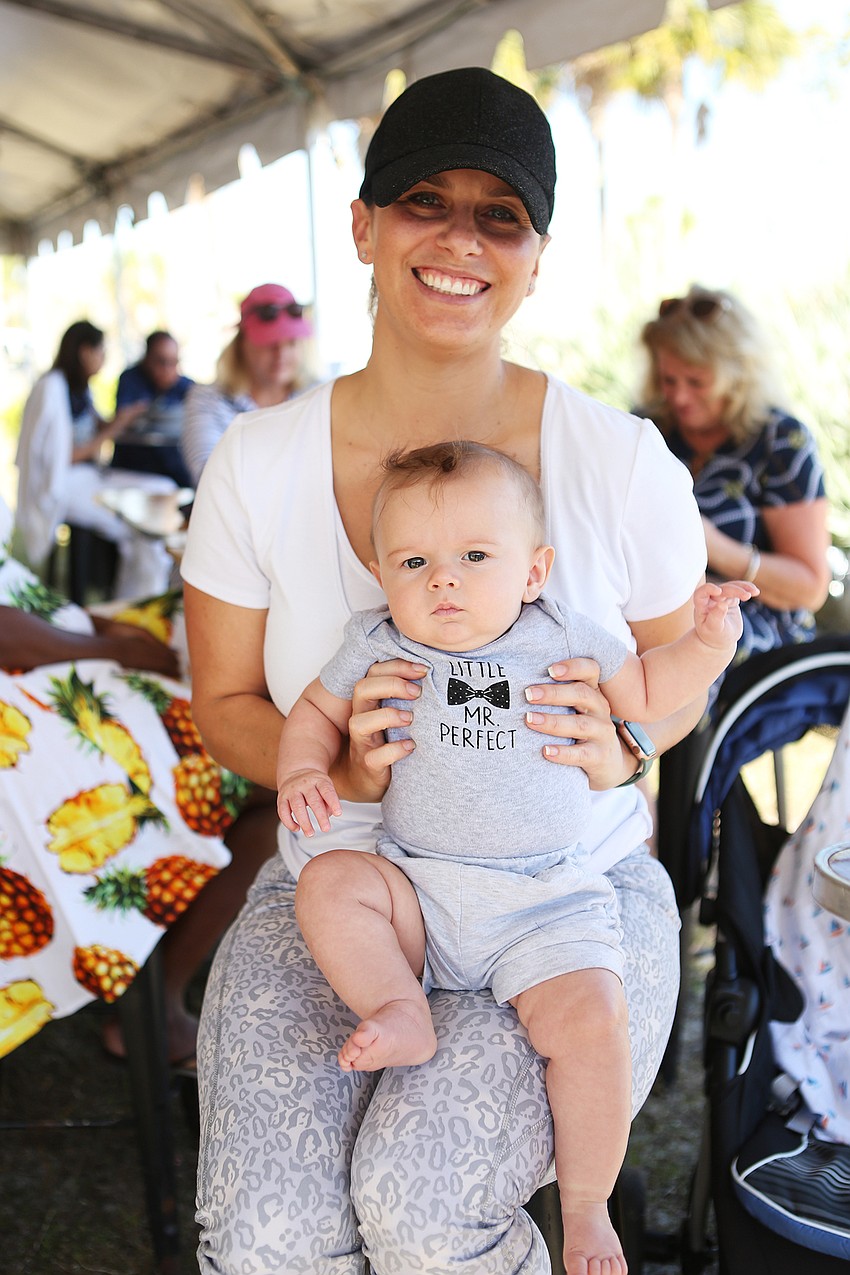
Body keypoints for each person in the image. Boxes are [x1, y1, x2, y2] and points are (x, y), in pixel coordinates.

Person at [181, 67, 709, 1275]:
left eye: (501, 215)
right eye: (425, 199)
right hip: (346, 889)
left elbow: (674, 683)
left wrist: (626, 743)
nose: (461, 238)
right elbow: (224, 705)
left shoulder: (621, 464)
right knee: (268, 1239)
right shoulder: (255, 463)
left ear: (536, 258)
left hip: (566, 894)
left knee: (424, 1214)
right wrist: (335, 769)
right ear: (362, 225)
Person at [277, 441, 754, 1274]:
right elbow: (315, 712)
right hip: (418, 887)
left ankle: (588, 1205)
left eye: (474, 557)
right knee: (330, 881)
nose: (443, 580)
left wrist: (709, 645)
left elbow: (646, 691)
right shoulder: (376, 639)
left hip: (543, 898)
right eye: (415, 562)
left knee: (594, 1019)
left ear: (534, 571)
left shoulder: (562, 634)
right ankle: (399, 1005)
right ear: (381, 574)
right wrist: (303, 770)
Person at [0, 492, 276, 1068]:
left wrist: (102, 632)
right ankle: (158, 1008)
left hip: (61, 681)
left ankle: (156, 985)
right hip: (44, 725)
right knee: (275, 779)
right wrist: (115, 649)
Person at [639, 284, 831, 673]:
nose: (679, 397)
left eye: (696, 382)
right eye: (668, 380)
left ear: (739, 375)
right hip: (657, 609)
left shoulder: (781, 440)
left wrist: (714, 545)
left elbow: (810, 588)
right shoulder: (648, 428)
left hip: (749, 631)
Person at [15, 320, 178, 599]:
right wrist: (114, 429)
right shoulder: (52, 387)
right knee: (137, 520)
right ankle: (137, 598)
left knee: (162, 489)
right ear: (84, 351)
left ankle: (141, 597)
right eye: (101, 351)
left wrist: (124, 418)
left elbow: (96, 425)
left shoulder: (81, 389)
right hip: (62, 483)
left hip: (87, 476)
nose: (104, 358)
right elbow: (63, 458)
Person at [180, 283, 313, 485]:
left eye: (291, 343)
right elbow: (209, 477)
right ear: (242, 344)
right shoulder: (208, 399)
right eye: (270, 343)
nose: (281, 354)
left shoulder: (316, 395)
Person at [112, 330, 194, 487]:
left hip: (173, 465)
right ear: (147, 358)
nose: (167, 369)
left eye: (173, 362)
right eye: (161, 362)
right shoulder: (131, 379)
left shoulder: (186, 386)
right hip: (134, 463)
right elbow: (121, 421)